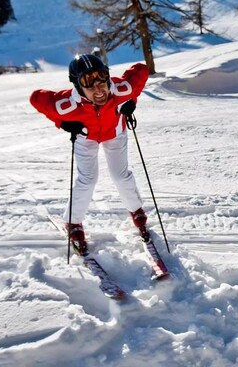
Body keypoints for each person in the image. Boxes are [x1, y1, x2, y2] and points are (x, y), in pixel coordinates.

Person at [30, 54, 153, 258]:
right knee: (87, 180)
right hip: (86, 138)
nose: (98, 88)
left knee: (120, 176)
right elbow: (36, 98)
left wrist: (131, 101)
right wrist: (62, 122)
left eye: (101, 78)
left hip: (115, 133)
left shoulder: (121, 89)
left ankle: (136, 211)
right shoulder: (66, 104)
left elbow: (141, 70)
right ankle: (73, 222)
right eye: (88, 82)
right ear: (78, 86)